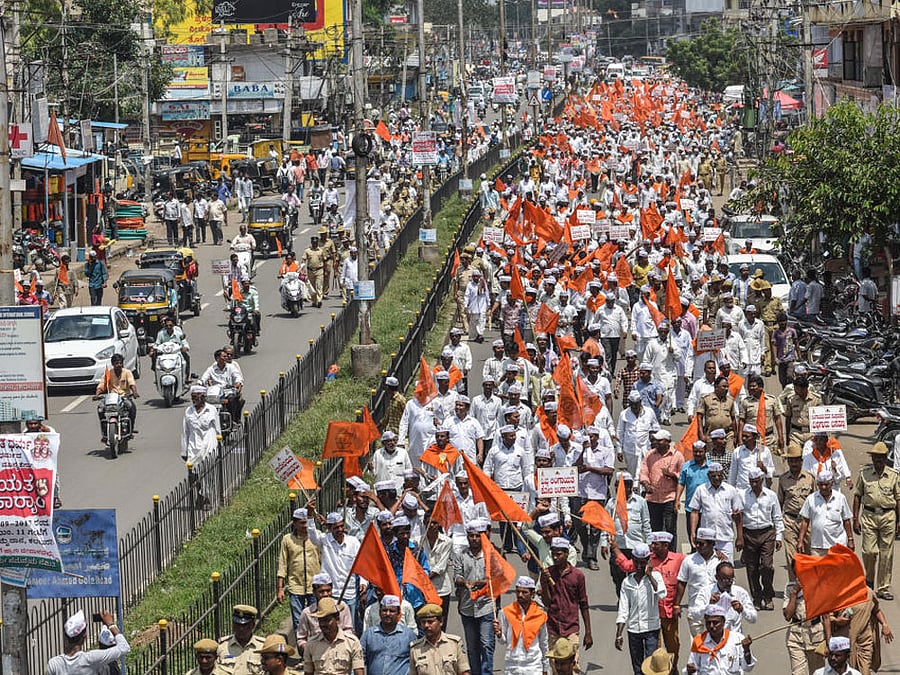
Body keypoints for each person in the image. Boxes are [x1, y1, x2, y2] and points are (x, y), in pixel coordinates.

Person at [851, 441, 900, 600]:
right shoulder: (864, 474)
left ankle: (883, 587)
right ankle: (869, 581)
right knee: (869, 551)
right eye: (875, 457)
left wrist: (899, 520)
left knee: (886, 554)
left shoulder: (893, 476)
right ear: (872, 458)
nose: (878, 460)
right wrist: (855, 518)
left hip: (888, 517)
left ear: (886, 458)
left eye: (881, 457)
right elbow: (857, 496)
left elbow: (898, 499)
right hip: (869, 516)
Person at [540, 537, 593, 673]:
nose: (555, 557)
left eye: (559, 554)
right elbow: (547, 602)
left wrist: (588, 632)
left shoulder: (577, 576)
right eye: (553, 554)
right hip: (553, 628)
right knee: (556, 667)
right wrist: (544, 583)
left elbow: (583, 604)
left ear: (566, 554)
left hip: (571, 629)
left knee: (572, 666)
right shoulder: (548, 574)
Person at [614, 543, 666, 675]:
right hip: (634, 630)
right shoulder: (627, 582)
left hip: (651, 629)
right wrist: (619, 634)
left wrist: (650, 575)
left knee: (650, 666)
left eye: (642, 563)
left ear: (648, 561)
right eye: (636, 562)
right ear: (632, 559)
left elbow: (662, 595)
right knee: (637, 668)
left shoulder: (656, 577)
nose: (639, 566)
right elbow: (623, 609)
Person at [453, 521, 496, 675]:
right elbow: (457, 576)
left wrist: (481, 583)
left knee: (486, 644)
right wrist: (464, 583)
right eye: (471, 536)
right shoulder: (461, 555)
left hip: (486, 606)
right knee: (472, 647)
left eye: (477, 536)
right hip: (467, 606)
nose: (474, 539)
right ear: (467, 537)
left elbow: (497, 579)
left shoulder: (491, 554)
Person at [741, 467, 783, 610]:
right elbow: (738, 517)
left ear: (762, 480)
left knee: (766, 566)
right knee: (752, 568)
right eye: (751, 481)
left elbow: (777, 516)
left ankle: (768, 595)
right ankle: (757, 598)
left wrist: (779, 537)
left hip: (767, 534)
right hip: (749, 534)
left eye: (757, 481)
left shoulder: (771, 495)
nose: (754, 484)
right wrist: (740, 537)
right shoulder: (743, 495)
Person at [827, 588, 893, 675]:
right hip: (845, 643)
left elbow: (876, 610)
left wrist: (884, 624)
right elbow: (828, 616)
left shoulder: (868, 593)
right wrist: (837, 621)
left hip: (864, 641)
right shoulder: (840, 592)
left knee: (865, 670)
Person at [675, 528, 728, 636]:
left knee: (718, 643)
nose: (697, 546)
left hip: (717, 611)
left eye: (701, 544)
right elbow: (682, 583)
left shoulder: (721, 561)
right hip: (696, 611)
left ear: (712, 544)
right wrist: (677, 605)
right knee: (699, 644)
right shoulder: (689, 561)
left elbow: (729, 584)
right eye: (696, 542)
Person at [277, 508, 322, 634]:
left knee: (315, 621)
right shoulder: (287, 540)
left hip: (314, 585)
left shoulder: (316, 536)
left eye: (306, 522)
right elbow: (283, 564)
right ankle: (301, 644)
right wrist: (280, 588)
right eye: (302, 523)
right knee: (298, 621)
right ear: (294, 523)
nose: (305, 526)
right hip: (295, 585)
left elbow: (324, 558)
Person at [493, 576, 549, 675]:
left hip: (533, 666)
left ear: (532, 593)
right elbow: (502, 641)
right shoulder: (506, 612)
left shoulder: (540, 615)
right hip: (512, 666)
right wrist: (499, 634)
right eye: (518, 591)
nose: (520, 595)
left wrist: (545, 668)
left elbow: (543, 643)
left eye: (524, 592)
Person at [47, 609, 131, 675]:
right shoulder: (91, 659)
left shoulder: (54, 664)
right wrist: (110, 624)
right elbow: (124, 647)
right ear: (84, 636)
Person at [639, 429, 684, 545]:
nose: (656, 442)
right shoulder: (650, 455)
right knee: (655, 529)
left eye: (660, 440)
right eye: (656, 440)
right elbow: (644, 472)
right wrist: (646, 484)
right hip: (653, 498)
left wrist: (672, 475)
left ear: (667, 442)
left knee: (670, 529)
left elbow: (683, 478)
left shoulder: (677, 456)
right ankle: (656, 552)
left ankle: (671, 553)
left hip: (669, 498)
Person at [778, 443, 816, 577]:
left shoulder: (810, 478)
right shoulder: (783, 479)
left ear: (801, 460)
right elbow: (780, 502)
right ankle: (793, 584)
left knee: (809, 555)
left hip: (807, 521)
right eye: (791, 460)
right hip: (789, 520)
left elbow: (816, 501)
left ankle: (808, 583)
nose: (793, 463)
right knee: (792, 556)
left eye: (796, 460)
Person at [685, 604, 755, 675]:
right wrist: (690, 671)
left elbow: (748, 668)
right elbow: (691, 668)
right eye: (708, 623)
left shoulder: (737, 639)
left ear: (723, 622)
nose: (711, 626)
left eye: (715, 622)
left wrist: (746, 650)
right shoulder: (699, 641)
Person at [302, 598, 364, 675]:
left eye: (327, 620)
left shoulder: (352, 642)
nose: (323, 624)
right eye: (320, 620)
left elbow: (359, 672)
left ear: (337, 619)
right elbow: (308, 672)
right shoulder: (311, 644)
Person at [798, 470, 854, 555]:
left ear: (832, 484)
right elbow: (805, 521)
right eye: (821, 484)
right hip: (817, 547)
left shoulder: (840, 498)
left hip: (837, 546)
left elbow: (846, 520)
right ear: (817, 484)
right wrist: (801, 540)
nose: (823, 487)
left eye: (826, 484)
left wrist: (850, 539)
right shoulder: (811, 499)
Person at [360, 594, 418, 675]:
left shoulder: (409, 636)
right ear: (379, 613)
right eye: (384, 610)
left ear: (398, 614)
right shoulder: (369, 635)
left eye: (392, 611)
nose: (387, 614)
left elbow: (416, 662)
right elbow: (359, 661)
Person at [783, 565, 826, 675]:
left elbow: (826, 617)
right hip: (796, 636)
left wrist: (829, 642)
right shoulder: (790, 587)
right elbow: (787, 616)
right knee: (798, 673)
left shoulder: (818, 587)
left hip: (816, 636)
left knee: (818, 672)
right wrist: (794, 593)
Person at [296, 572, 354, 649]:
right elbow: (301, 638)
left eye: (328, 590)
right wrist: (310, 650)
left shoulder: (342, 607)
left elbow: (348, 630)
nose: (325, 594)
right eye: (321, 591)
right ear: (314, 592)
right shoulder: (307, 613)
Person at [409, 603, 470, 675]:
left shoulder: (455, 644)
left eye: (430, 622)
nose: (426, 625)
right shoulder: (415, 649)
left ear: (441, 621)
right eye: (423, 622)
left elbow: (464, 672)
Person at [94, 353, 137, 441]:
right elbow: (102, 385)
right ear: (113, 364)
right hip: (111, 398)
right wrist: (97, 395)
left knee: (132, 408)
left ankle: (130, 430)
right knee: (100, 409)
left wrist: (135, 392)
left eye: (120, 363)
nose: (119, 365)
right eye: (117, 363)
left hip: (124, 397)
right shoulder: (108, 374)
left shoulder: (127, 372)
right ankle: (105, 432)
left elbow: (132, 383)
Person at [216, 605, 265, 675]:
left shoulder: (262, 647)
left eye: (245, 625)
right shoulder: (222, 646)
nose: (241, 629)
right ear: (233, 625)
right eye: (237, 625)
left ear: (252, 625)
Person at [201, 348, 245, 422]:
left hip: (228, 392)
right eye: (224, 356)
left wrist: (238, 383)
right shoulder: (211, 369)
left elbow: (237, 376)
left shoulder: (231, 367)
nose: (226, 358)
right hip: (215, 394)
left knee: (232, 400)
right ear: (217, 358)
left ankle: (232, 421)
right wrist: (199, 383)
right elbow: (204, 378)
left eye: (226, 356)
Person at [302, 235, 326, 307]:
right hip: (310, 271)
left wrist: (325, 270)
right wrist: (302, 270)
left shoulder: (321, 251)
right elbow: (303, 260)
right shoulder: (307, 251)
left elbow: (324, 260)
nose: (314, 244)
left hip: (319, 270)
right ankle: (314, 301)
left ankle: (319, 300)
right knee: (312, 287)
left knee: (319, 286)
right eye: (313, 243)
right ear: (311, 243)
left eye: (316, 243)